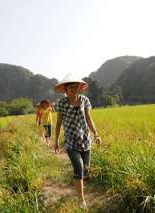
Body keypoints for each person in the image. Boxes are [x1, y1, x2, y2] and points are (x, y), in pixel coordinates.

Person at [54, 73, 101, 208]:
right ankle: (81, 200)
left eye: (76, 87)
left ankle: (76, 182)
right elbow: (58, 123)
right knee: (79, 169)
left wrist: (96, 133)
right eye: (71, 88)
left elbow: (88, 118)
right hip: (71, 141)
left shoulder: (84, 100)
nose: (74, 90)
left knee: (86, 169)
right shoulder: (62, 103)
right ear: (66, 90)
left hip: (85, 140)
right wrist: (56, 140)